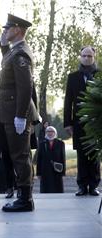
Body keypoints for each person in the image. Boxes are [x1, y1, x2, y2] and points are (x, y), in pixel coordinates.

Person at [0, 14, 40, 212]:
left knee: (20, 155)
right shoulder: (15, 51)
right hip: (12, 111)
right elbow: (7, 64)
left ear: (18, 30)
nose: (5, 30)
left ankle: (25, 199)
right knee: (18, 155)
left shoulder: (21, 54)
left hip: (17, 112)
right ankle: (24, 196)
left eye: (8, 28)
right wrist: (3, 45)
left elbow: (25, 87)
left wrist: (21, 115)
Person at [64, 46, 100, 196]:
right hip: (79, 122)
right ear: (80, 57)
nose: (86, 58)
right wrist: (67, 123)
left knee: (94, 154)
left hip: (96, 122)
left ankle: (93, 186)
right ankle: (82, 185)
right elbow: (68, 101)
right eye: (84, 56)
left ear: (94, 58)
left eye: (89, 56)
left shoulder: (99, 75)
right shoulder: (73, 77)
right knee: (81, 154)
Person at [0, 75, 16, 198]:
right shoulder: (0, 76)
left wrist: (32, 122)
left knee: (21, 157)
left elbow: (31, 97)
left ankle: (23, 188)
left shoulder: (25, 73)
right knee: (6, 156)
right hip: (2, 121)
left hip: (20, 119)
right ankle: (9, 187)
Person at [37, 126, 66, 193]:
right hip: (45, 170)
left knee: (57, 189)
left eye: (52, 131)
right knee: (45, 189)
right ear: (46, 133)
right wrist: (38, 173)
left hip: (57, 169)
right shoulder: (42, 143)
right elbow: (39, 159)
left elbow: (63, 158)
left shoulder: (60, 143)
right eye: (48, 131)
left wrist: (63, 172)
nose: (50, 133)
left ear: (55, 133)